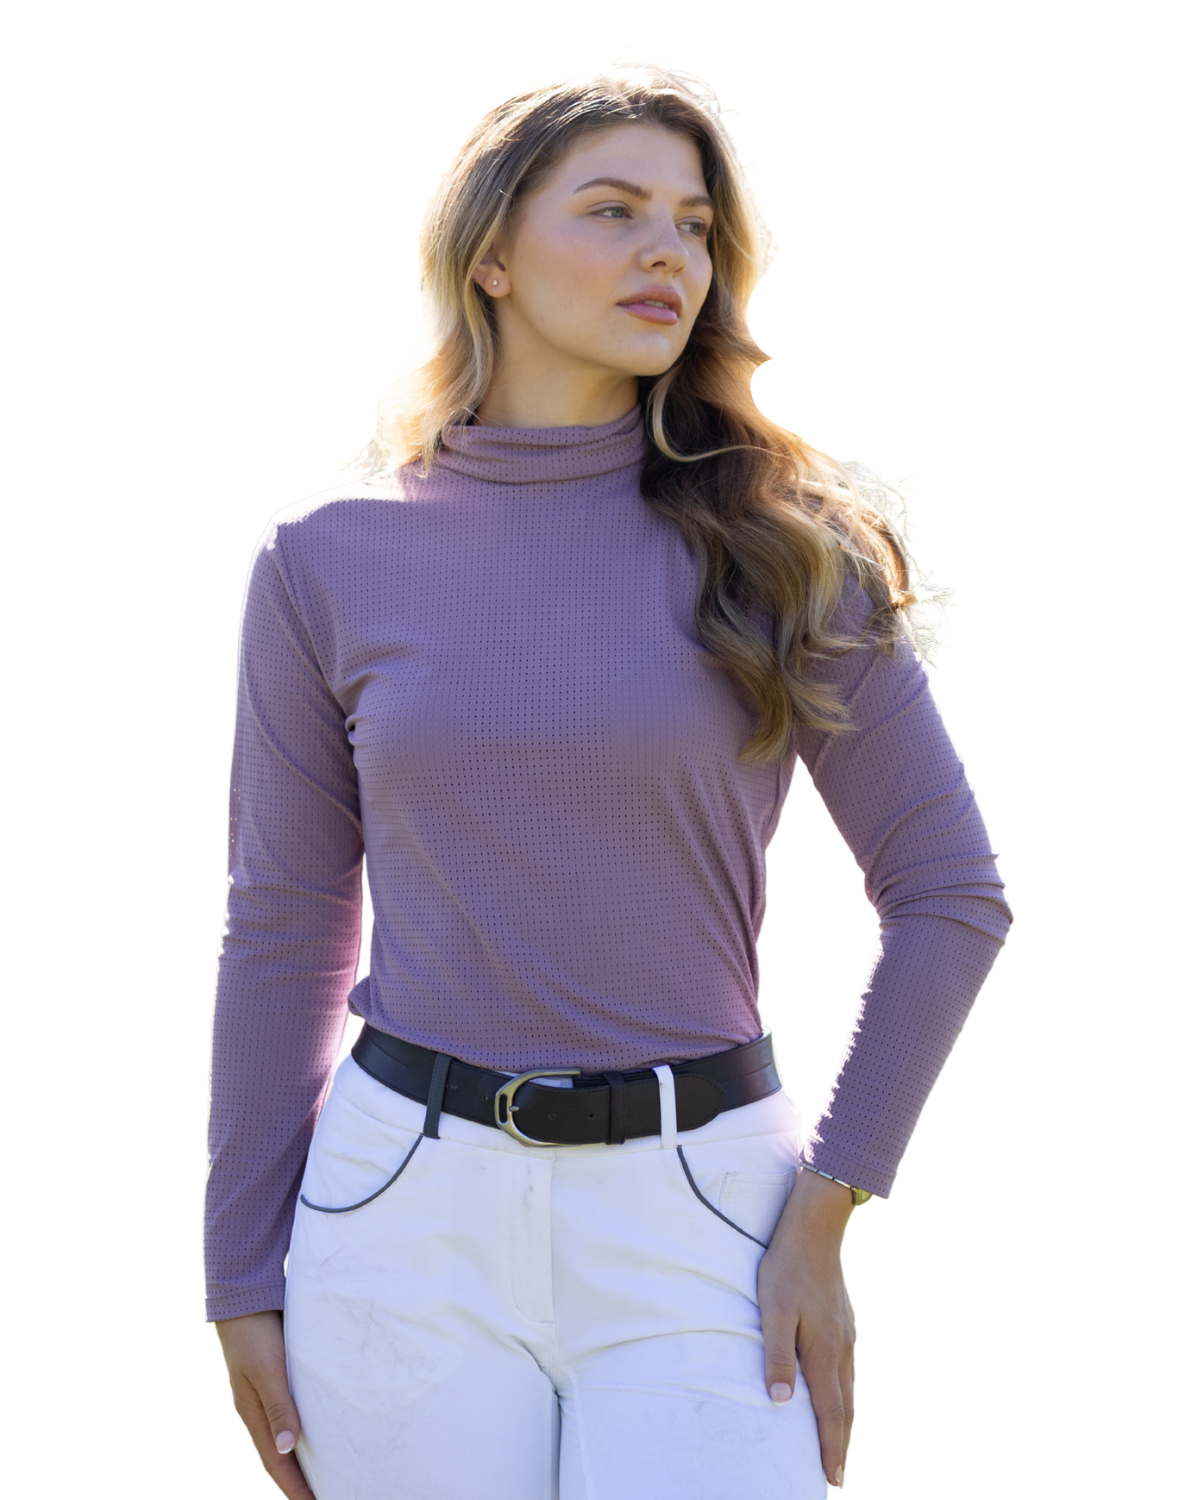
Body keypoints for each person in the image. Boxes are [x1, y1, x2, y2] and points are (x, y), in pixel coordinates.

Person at [206, 67, 1011, 1500]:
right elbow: (283, 925)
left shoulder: (789, 553)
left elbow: (952, 896)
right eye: (616, 211)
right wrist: (238, 1270)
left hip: (704, 1210)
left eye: (694, 226)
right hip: (399, 1213)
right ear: (491, 256)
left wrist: (829, 1206)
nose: (668, 256)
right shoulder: (324, 561)